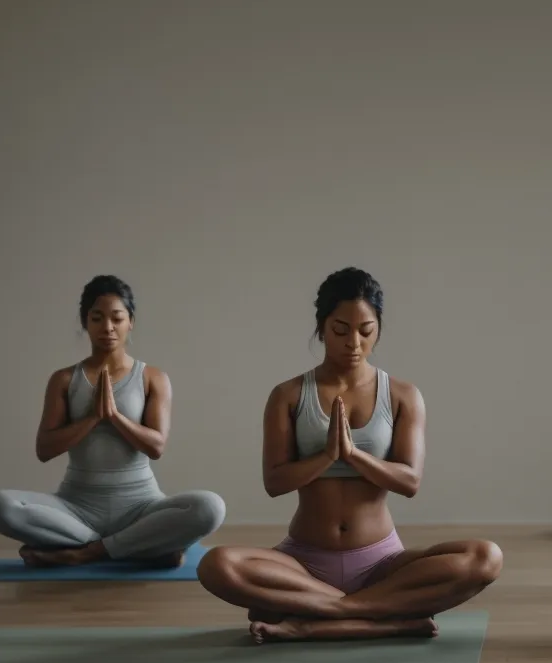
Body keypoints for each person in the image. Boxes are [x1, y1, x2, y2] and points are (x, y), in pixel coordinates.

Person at [196, 268, 503, 642]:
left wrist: (355, 455)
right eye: (341, 330)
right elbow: (274, 482)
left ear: (378, 328)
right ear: (322, 327)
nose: (354, 342)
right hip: (303, 563)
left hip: (382, 563)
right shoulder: (288, 395)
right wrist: (326, 456)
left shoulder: (403, 395)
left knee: (486, 557)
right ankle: (384, 618)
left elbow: (410, 481)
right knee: (217, 565)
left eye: (366, 330)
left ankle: (318, 621)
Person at [0, 276, 226, 568]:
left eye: (117, 318)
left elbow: (156, 446)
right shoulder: (63, 380)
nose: (107, 327)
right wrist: (92, 418)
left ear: (130, 322)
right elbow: (44, 449)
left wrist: (115, 417)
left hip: (142, 506)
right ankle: (139, 545)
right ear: (85, 322)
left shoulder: (152, 378)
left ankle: (87, 552)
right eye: (97, 318)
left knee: (210, 507)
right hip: (76, 508)